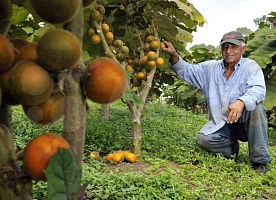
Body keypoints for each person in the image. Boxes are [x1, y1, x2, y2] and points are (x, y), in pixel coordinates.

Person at [163, 31, 272, 174]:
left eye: (233, 47)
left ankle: (260, 161)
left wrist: (241, 102)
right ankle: (231, 149)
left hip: (245, 123)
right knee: (204, 140)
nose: (228, 51)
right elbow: (188, 71)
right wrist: (174, 55)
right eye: (225, 47)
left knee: (257, 109)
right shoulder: (210, 68)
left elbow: (258, 89)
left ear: (242, 49)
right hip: (222, 123)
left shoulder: (250, 67)